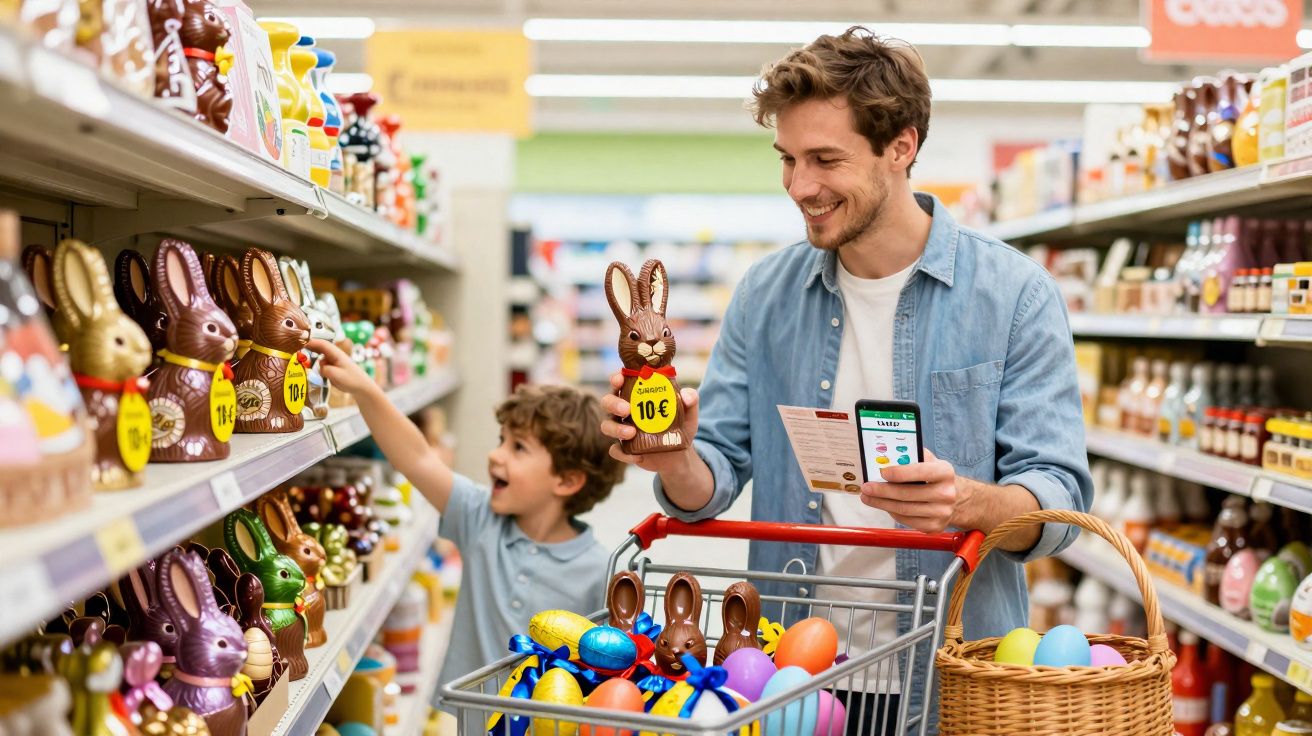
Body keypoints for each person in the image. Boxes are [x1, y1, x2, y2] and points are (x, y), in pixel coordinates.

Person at [599, 26, 1092, 729]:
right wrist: (675, 454)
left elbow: (1058, 501)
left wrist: (966, 501)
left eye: (825, 159)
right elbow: (709, 487)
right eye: (789, 159)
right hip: (786, 674)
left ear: (902, 147)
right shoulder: (766, 294)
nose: (800, 186)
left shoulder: (1014, 295)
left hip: (954, 673)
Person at [309, 338, 626, 695]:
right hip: (470, 719)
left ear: (567, 480)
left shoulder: (601, 570)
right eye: (501, 439)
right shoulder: (479, 517)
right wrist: (364, 387)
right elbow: (417, 457)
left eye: (518, 447)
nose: (495, 456)